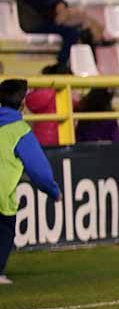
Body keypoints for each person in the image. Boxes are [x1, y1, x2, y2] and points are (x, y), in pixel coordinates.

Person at [0, 78, 62, 285]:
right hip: (1, 197)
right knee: (5, 232)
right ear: (22, 103)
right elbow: (38, 170)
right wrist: (53, 191)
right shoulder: (20, 130)